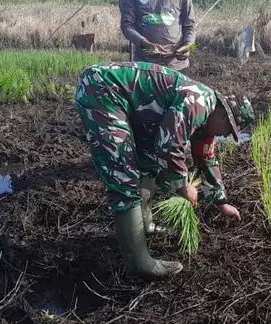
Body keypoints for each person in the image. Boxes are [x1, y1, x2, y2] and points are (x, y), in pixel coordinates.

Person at [75, 61, 255, 280]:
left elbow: (206, 157)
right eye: (229, 129)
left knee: (148, 164)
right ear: (224, 115)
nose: (226, 135)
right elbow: (168, 144)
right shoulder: (199, 102)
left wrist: (221, 201)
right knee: (123, 174)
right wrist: (183, 185)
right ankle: (140, 263)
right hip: (103, 90)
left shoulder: (206, 123)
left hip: (126, 104)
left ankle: (145, 223)